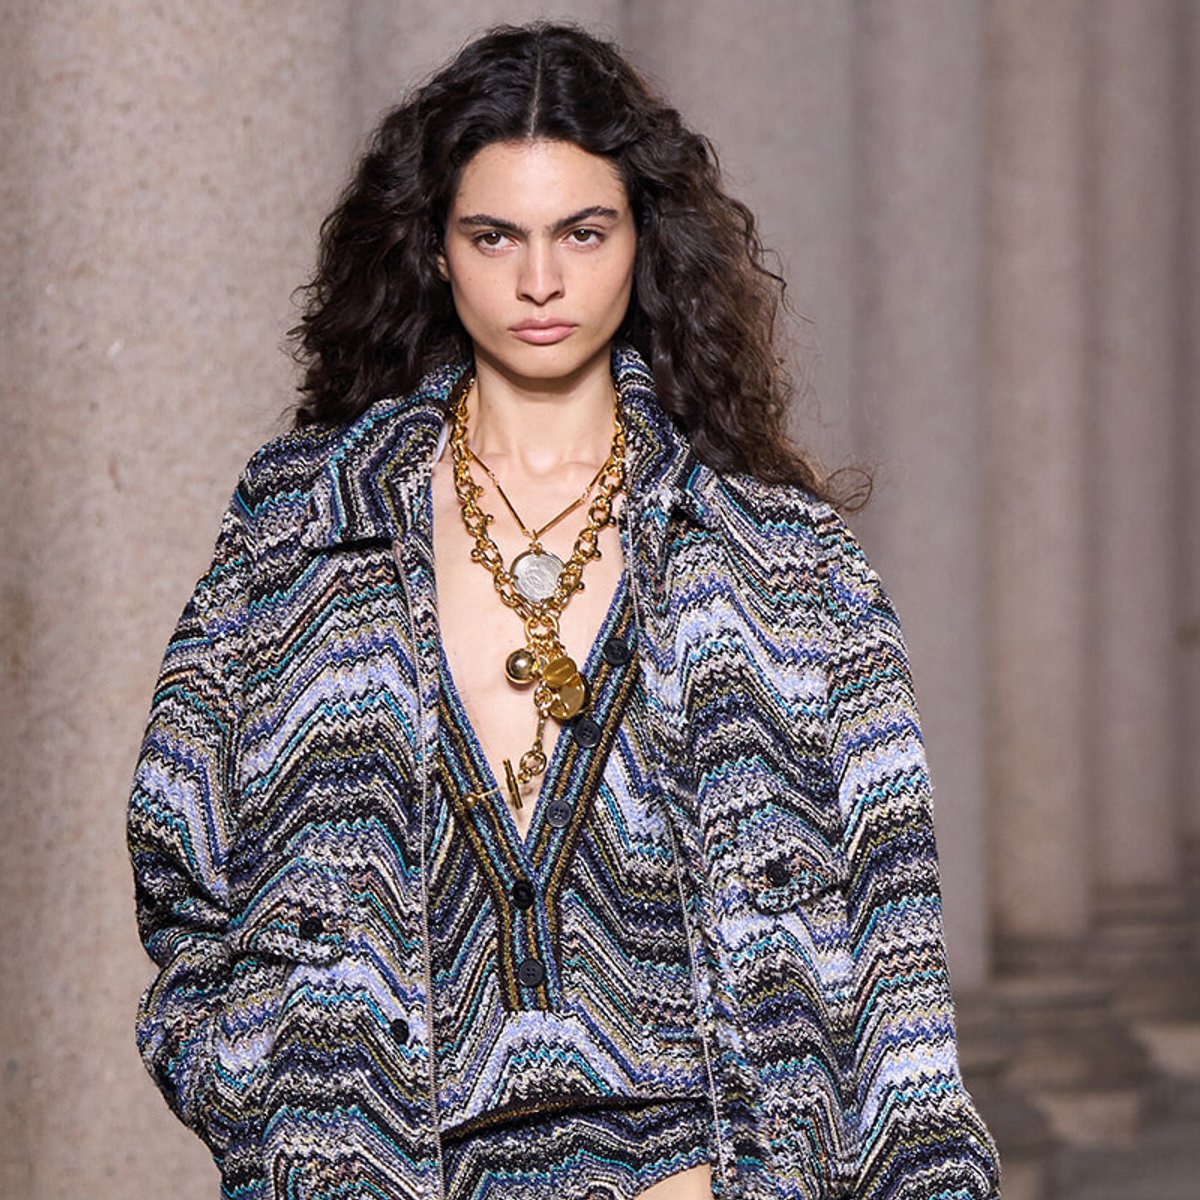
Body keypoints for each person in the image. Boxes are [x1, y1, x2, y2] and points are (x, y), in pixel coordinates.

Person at [128, 21, 1000, 1200]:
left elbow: (892, 945)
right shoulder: (302, 537)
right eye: (495, 235)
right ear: (436, 251)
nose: (540, 281)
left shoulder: (782, 566)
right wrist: (285, 1115)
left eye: (582, 233)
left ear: (643, 244)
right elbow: (179, 859)